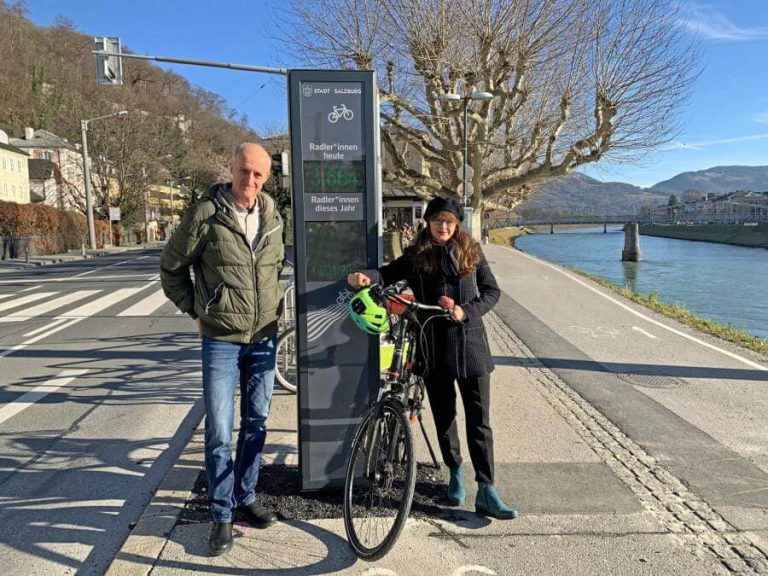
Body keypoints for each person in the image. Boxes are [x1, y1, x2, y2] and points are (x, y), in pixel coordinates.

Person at [347, 196, 518, 520]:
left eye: (450, 222)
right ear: (428, 222)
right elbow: (386, 273)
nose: (444, 227)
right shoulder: (417, 256)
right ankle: (454, 473)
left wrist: (465, 311)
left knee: (479, 422)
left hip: (471, 348)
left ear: (457, 225)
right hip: (433, 348)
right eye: (438, 220)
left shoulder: (472, 252)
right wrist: (365, 276)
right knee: (445, 418)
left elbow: (491, 292)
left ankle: (487, 488)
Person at [160, 143, 284, 556]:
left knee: (257, 423)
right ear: (232, 169)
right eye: (244, 171)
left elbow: (273, 269)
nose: (249, 181)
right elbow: (171, 268)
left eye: (258, 175)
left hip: (263, 336)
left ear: (267, 178)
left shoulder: (273, 216)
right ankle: (220, 515)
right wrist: (196, 311)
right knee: (218, 431)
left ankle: (245, 498)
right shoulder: (205, 214)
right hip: (220, 341)